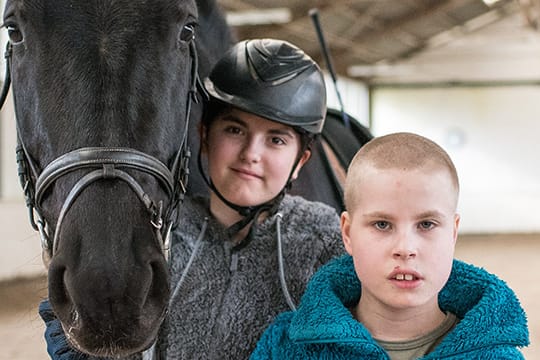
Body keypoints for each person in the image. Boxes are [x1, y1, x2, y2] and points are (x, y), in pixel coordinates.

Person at [38, 38, 345, 359]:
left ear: (301, 161)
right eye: (234, 130)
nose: (251, 154)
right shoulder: (156, 233)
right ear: (204, 136)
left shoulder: (325, 245)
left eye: (276, 139)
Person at [251, 132, 529, 359]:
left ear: (453, 233)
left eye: (427, 224)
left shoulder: (498, 356)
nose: (405, 248)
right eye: (382, 225)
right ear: (347, 234)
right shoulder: (286, 348)